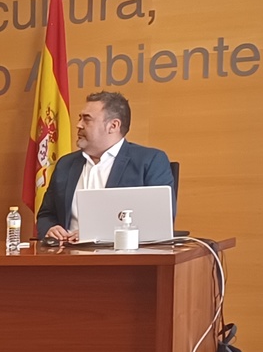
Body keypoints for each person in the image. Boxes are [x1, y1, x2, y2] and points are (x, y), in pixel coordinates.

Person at [36, 91, 177, 243]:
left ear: (113, 126)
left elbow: (158, 220)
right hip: (65, 257)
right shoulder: (65, 164)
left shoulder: (149, 161)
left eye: (87, 119)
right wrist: (51, 228)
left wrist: (96, 235)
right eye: (79, 118)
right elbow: (46, 215)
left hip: (122, 259)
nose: (78, 125)